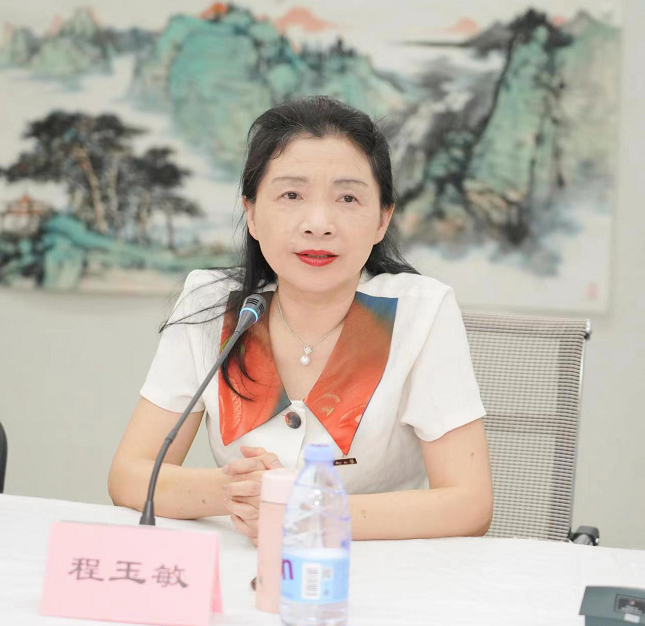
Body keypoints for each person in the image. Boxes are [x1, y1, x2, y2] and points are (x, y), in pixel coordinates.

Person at [108, 96, 493, 543]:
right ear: (252, 213)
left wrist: (312, 511)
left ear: (382, 220)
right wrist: (230, 491)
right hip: (241, 565)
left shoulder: (421, 311)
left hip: (375, 571)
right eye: (291, 195)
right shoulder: (210, 303)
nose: (318, 223)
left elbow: (470, 504)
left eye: (347, 197)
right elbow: (128, 477)